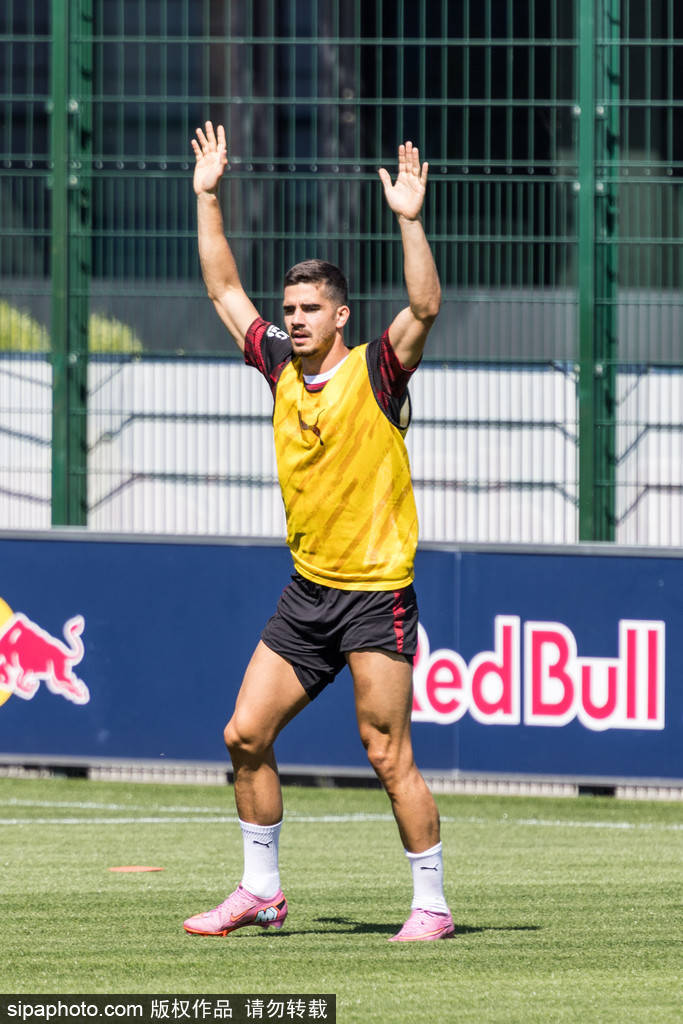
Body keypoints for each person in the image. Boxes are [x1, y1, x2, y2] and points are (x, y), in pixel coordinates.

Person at [183, 121, 453, 943]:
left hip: (376, 595)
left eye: (309, 310)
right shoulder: (276, 365)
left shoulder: (377, 370)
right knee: (244, 734)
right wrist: (206, 197)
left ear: (340, 315)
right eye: (290, 310)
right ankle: (261, 891)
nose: (294, 320)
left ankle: (431, 906)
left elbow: (424, 306)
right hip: (308, 594)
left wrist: (409, 219)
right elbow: (224, 292)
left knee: (386, 753)